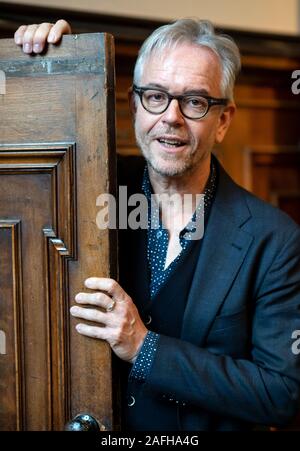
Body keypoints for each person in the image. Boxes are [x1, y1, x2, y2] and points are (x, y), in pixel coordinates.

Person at [14, 18, 300, 431]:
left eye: (196, 102)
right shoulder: (79, 187)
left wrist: (144, 348)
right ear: (134, 106)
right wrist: (43, 63)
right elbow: (25, 157)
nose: (171, 117)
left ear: (223, 120)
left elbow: (282, 394)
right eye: (155, 96)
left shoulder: (276, 238)